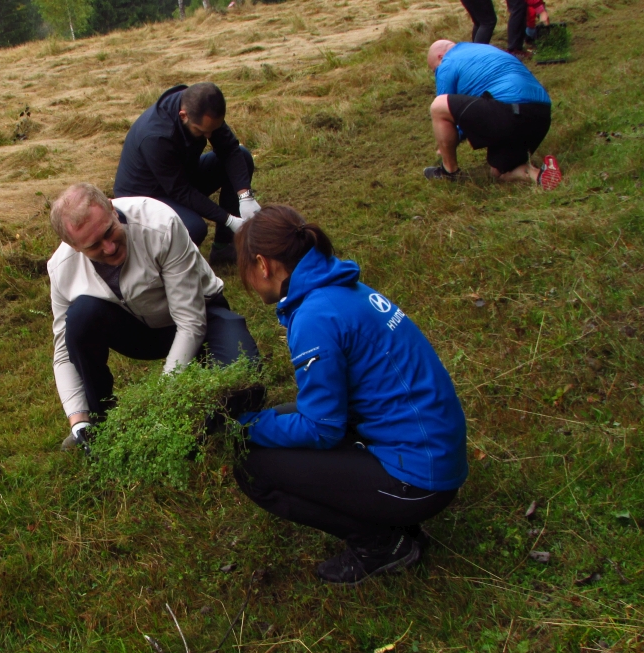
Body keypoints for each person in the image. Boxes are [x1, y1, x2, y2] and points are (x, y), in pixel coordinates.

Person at [232, 205, 469, 585]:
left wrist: (244, 428)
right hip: (433, 451)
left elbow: (321, 429)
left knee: (252, 464)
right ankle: (395, 525)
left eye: (243, 270)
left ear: (263, 265)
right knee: (281, 418)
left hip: (421, 480)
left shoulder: (315, 316)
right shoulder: (339, 288)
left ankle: (381, 545)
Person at [48, 183, 260, 451]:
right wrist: (78, 420)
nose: (110, 247)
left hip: (203, 315)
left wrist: (162, 402)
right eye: (94, 246)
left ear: (112, 209)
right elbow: (64, 351)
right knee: (80, 318)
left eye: (109, 232)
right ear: (73, 246)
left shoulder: (160, 223)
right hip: (139, 330)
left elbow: (190, 322)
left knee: (245, 381)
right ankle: (100, 422)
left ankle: (204, 412)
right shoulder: (60, 269)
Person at [113, 82, 261, 267]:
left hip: (179, 176)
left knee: (243, 157)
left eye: (213, 130)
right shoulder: (156, 137)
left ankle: (224, 247)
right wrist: (228, 219)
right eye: (201, 131)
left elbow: (230, 149)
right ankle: (160, 267)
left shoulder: (201, 106)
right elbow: (180, 191)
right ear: (183, 115)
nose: (209, 136)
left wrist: (244, 195)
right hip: (145, 198)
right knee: (193, 228)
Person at [425, 39, 562, 190]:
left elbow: (447, 108)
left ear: (439, 56)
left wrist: (447, 144)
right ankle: (540, 176)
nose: (437, 74)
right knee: (499, 171)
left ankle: (448, 172)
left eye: (434, 70)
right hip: (540, 115)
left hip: (509, 111)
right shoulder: (487, 49)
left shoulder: (447, 62)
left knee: (438, 106)